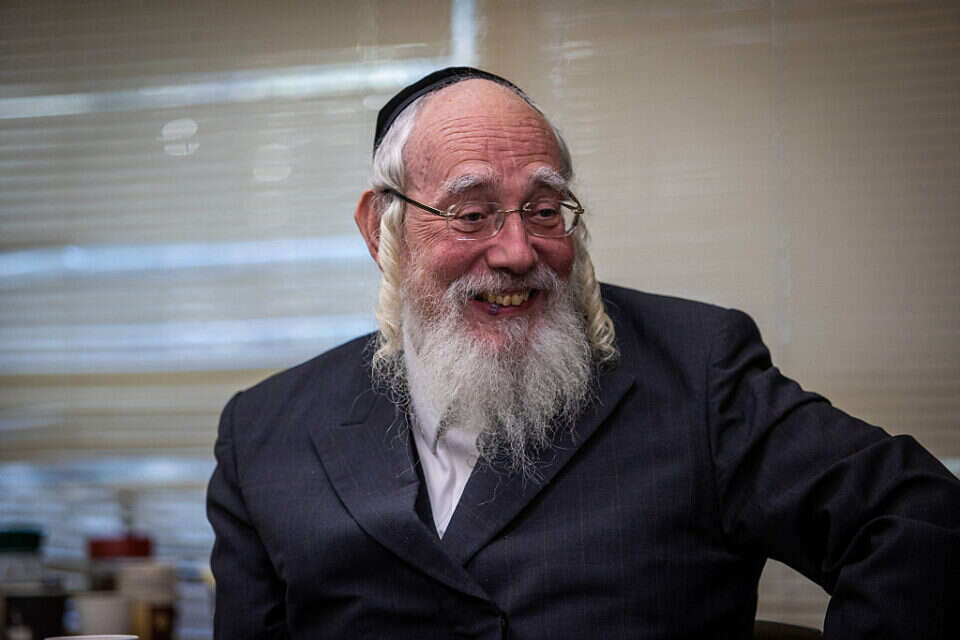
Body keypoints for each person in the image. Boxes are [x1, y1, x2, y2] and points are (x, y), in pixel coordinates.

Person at [206, 67, 960, 639]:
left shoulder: (698, 369)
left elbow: (920, 520)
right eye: (472, 213)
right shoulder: (263, 434)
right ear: (382, 231)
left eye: (544, 209)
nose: (516, 250)